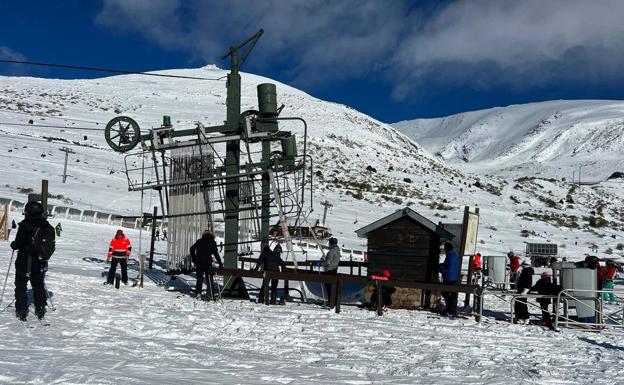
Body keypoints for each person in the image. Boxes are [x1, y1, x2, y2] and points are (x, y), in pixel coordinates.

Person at [10, 201, 55, 322]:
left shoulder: (25, 224)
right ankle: (40, 308)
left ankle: (21, 310)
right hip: (39, 262)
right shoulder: (47, 226)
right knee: (38, 286)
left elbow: (19, 243)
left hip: (24, 262)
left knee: (20, 286)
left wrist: (14, 245)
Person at [189, 230, 223, 300]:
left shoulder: (199, 241)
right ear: (212, 236)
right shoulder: (212, 242)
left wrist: (194, 258)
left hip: (199, 263)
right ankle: (210, 294)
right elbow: (216, 254)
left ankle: (198, 293)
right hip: (208, 264)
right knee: (209, 280)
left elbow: (191, 249)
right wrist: (220, 263)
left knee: (199, 279)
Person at [440, 242, 460, 317]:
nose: (444, 250)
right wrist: (442, 265)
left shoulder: (450, 256)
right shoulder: (452, 254)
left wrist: (441, 269)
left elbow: (449, 268)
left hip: (450, 278)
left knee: (449, 294)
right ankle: (450, 309)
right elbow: (448, 265)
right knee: (448, 293)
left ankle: (451, 310)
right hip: (452, 277)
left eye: (445, 248)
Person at [321, 237, 341, 302]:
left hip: (329, 271)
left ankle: (331, 301)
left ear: (331, 243)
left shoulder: (331, 251)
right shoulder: (337, 251)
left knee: (328, 287)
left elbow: (328, 262)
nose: (328, 244)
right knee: (332, 287)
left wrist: (322, 261)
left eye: (329, 243)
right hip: (334, 270)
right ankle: (332, 301)